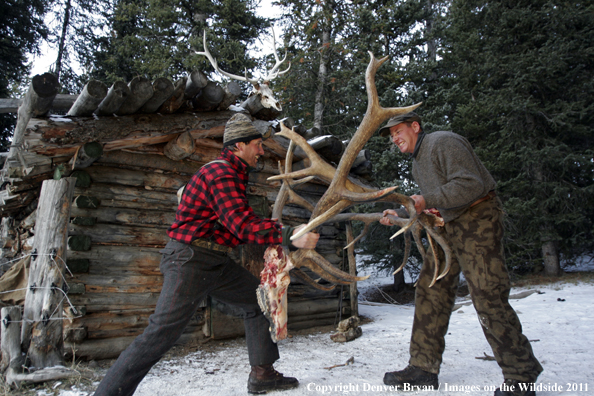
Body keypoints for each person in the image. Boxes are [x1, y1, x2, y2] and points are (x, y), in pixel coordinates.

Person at [93, 113, 320, 396]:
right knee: (161, 332)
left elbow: (236, 224)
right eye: (257, 145)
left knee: (258, 300)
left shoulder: (233, 175)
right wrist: (289, 235)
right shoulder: (220, 173)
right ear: (239, 146)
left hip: (214, 261)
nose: (261, 150)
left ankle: (263, 375)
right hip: (190, 260)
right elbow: (241, 224)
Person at [377, 112, 542, 396]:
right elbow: (434, 203)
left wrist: (426, 199)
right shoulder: (418, 164)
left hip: (478, 220)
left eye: (398, 131)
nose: (395, 139)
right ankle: (423, 367)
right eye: (391, 136)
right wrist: (402, 212)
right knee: (431, 288)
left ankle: (521, 375)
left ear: (415, 127)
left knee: (488, 294)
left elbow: (470, 184)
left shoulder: (443, 143)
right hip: (449, 225)